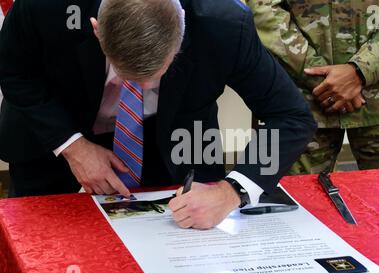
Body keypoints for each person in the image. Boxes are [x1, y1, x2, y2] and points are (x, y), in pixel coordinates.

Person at [0, 0, 317, 229]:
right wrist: (72, 146)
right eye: (127, 78)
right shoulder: (47, 7)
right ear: (96, 30)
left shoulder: (223, 24)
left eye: (155, 77)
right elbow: (13, 69)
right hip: (56, 135)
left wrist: (233, 191)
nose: (142, 88)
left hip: (174, 145)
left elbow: (290, 116)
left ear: (182, 37)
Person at [245, 0, 379, 174]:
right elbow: (265, 10)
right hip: (301, 101)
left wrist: (362, 70)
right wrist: (322, 78)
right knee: (293, 202)